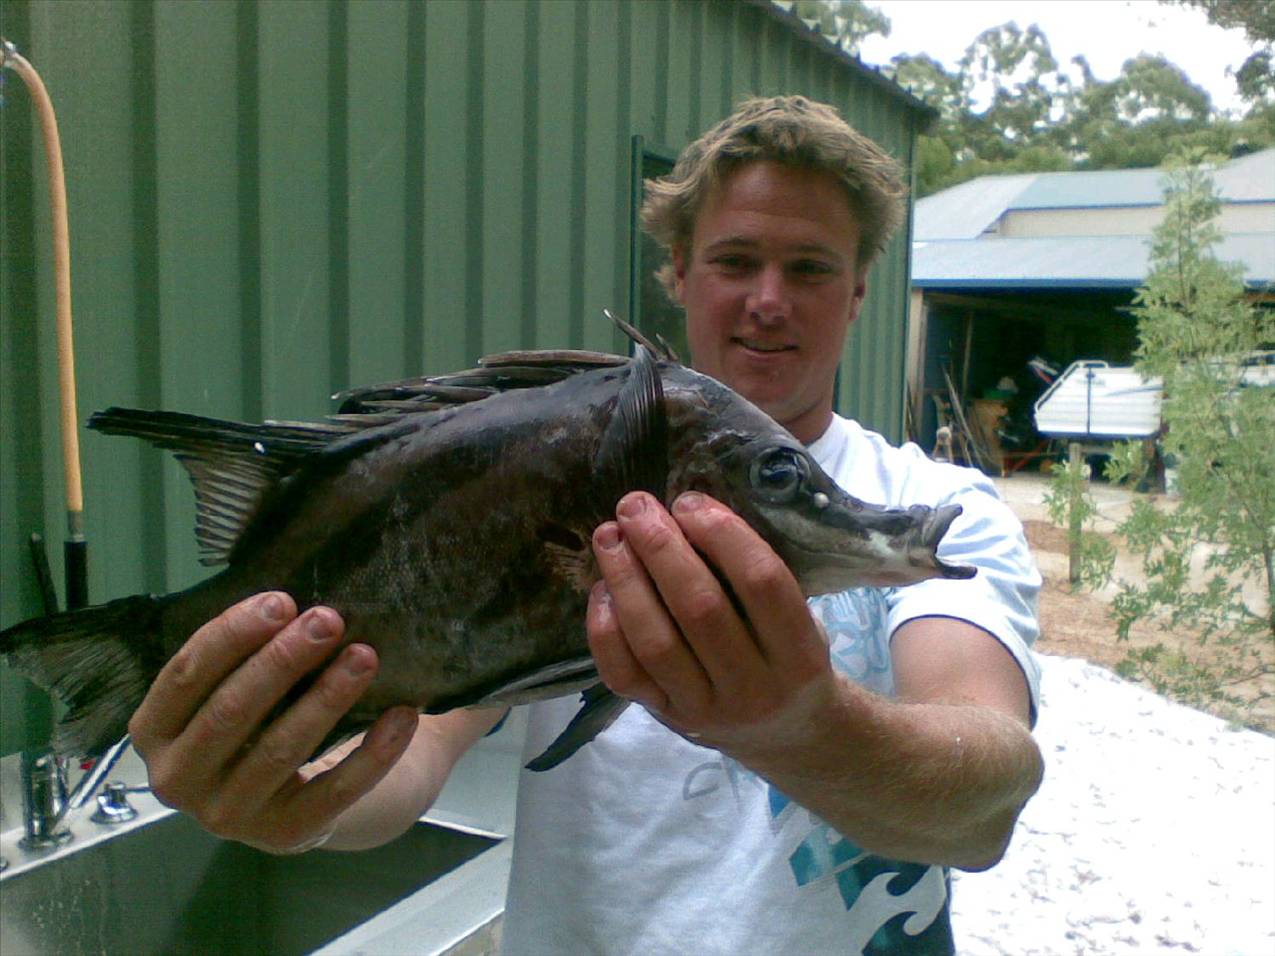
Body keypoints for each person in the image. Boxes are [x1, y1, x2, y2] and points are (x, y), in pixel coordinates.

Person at [128, 96, 1043, 954]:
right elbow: (413, 750)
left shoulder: (940, 504)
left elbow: (984, 798)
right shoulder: (566, 461)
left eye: (809, 267)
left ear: (857, 291)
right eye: (734, 261)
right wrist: (294, 797)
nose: (768, 299)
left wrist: (798, 724)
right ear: (676, 271)